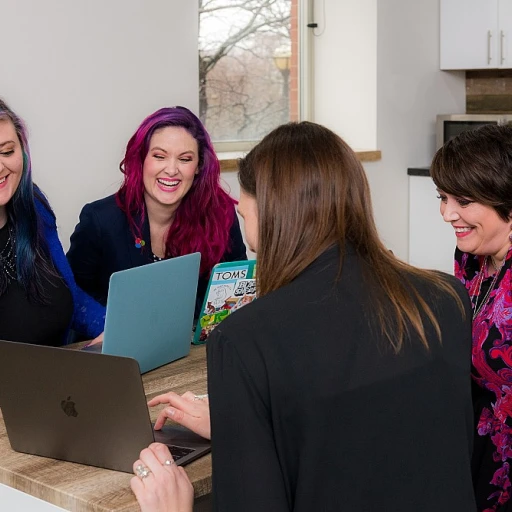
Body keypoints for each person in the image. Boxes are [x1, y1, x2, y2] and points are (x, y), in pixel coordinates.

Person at [131, 121, 476, 512]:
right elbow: (379, 430)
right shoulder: (447, 298)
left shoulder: (245, 339)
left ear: (275, 215)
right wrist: (247, 424)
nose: (245, 227)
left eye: (245, 215)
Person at [67, 106, 247, 317]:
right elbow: (73, 297)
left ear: (199, 166)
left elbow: (237, 288)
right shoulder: (99, 220)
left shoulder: (220, 213)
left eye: (185, 159)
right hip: (117, 344)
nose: (171, 170)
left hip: (197, 345)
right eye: (160, 156)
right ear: (141, 159)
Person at [430, 123, 512, 512]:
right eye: (443, 197)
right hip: (480, 447)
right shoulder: (470, 256)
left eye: (463, 200)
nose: (448, 214)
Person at [0, 99, 105, 346]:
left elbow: (69, 296)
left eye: (6, 152)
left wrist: (115, 327)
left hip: (59, 375)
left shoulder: (35, 207)